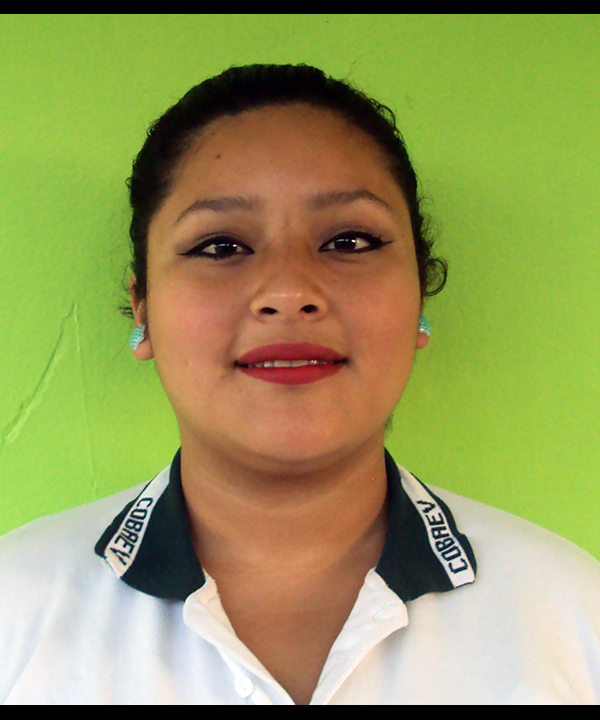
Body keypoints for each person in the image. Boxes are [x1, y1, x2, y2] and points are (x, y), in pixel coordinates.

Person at [1, 64, 599, 706]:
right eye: (221, 247)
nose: (289, 291)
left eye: (350, 240)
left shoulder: (570, 616)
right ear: (142, 307)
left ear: (419, 296)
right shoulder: (16, 610)